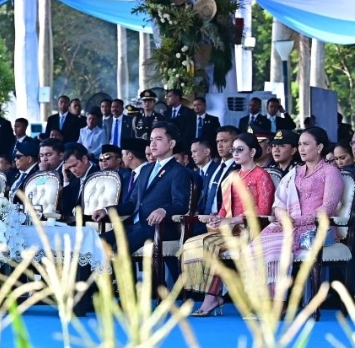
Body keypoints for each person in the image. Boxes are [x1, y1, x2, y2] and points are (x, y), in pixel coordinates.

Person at [182, 133, 275, 316]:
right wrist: (217, 218)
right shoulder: (233, 176)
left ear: (252, 152)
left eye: (240, 149)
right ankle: (211, 296)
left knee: (209, 244)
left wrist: (234, 220)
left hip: (252, 230)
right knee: (193, 243)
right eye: (233, 150)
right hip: (230, 229)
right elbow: (225, 209)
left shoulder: (261, 176)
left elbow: (263, 210)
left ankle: (211, 298)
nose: (235, 153)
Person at [247, 126, 343, 298]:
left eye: (306, 144)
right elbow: (279, 203)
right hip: (288, 224)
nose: (301, 148)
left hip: (315, 228)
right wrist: (282, 216)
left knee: (275, 248)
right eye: (299, 144)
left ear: (319, 147)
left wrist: (297, 221)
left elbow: (328, 208)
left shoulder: (331, 172)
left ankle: (278, 301)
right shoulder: (295, 172)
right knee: (256, 246)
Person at [95, 122, 192, 255]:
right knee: (99, 242)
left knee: (120, 247)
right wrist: (106, 210)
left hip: (158, 227)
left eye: (158, 139)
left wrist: (164, 210)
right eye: (151, 140)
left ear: (171, 144)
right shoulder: (145, 169)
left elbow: (181, 204)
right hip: (135, 225)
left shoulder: (178, 171)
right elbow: (133, 202)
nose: (153, 144)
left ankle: (124, 270)